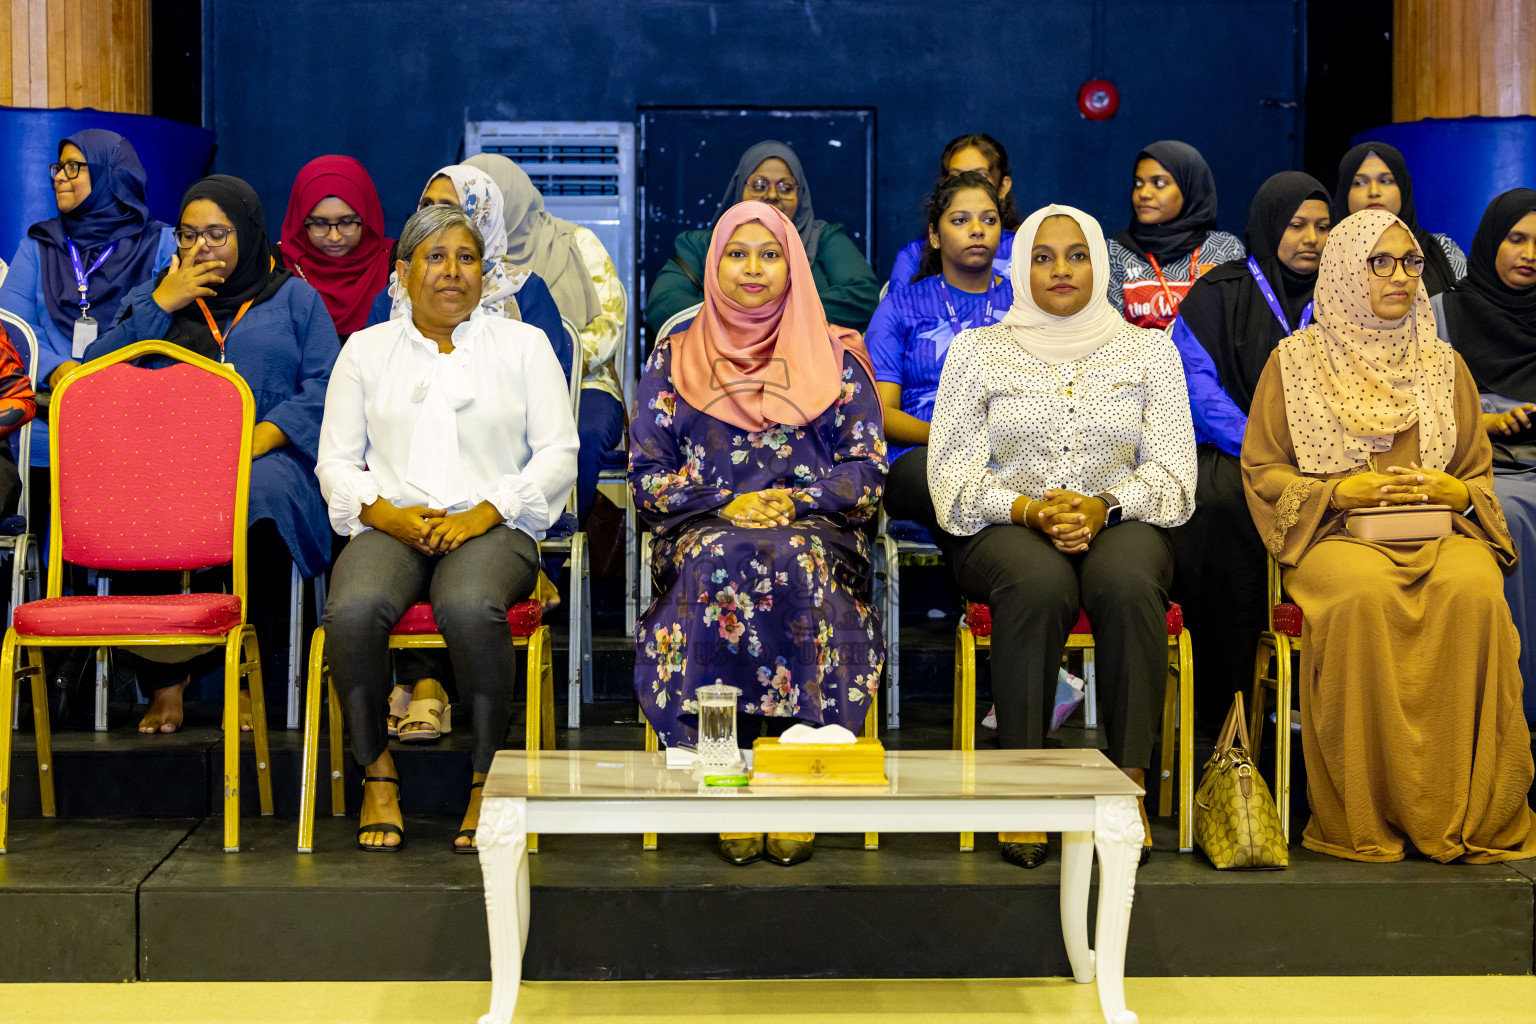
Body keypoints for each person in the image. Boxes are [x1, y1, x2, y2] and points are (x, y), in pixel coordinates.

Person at [1241, 207, 1536, 863]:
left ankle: (1469, 809)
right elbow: (1263, 469)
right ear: (1347, 270)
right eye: (1381, 262)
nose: (1400, 276)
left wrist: (1454, 493)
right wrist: (1340, 491)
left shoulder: (1442, 363)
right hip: (1336, 539)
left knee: (1476, 589)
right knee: (1363, 594)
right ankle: (1368, 811)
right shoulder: (1295, 363)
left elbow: (1474, 475)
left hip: (1437, 533)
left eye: (1410, 263)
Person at [929, 204, 1197, 870]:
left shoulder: (1150, 352)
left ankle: (1126, 785)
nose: (1060, 269)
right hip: (1003, 523)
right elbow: (951, 480)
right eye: (1042, 257)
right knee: (1039, 583)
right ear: (1019, 268)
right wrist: (1027, 510)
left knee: (1127, 582)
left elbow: (1174, 475)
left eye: (1076, 254)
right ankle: (1024, 792)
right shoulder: (977, 352)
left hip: (1122, 516)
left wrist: (1103, 506)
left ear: (1100, 265)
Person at [631, 200, 887, 868]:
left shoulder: (838, 359)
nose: (752, 269)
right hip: (705, 527)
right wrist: (727, 502)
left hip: (814, 532)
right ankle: (722, 776)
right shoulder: (674, 356)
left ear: (793, 263)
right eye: (736, 254)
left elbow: (866, 472)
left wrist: (793, 501)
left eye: (769, 254)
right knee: (720, 559)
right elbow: (646, 476)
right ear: (713, 265)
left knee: (795, 562)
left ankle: (797, 785)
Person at [318, 204, 578, 852]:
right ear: (402, 272)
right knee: (351, 610)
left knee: (467, 605)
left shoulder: (525, 346)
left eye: (466, 258)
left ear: (485, 275)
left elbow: (558, 454)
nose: (451, 272)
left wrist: (487, 511)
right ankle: (376, 770)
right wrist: (384, 514)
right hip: (391, 522)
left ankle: (488, 777)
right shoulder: (365, 351)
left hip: (495, 522)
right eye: (434, 258)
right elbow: (335, 461)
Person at [85, 175, 339, 734]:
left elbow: (326, 386)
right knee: (138, 496)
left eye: (218, 234)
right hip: (170, 461)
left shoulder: (295, 298)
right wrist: (160, 304)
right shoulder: (156, 295)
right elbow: (91, 376)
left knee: (262, 494)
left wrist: (261, 438)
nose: (202, 247)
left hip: (267, 457)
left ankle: (251, 677)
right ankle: (165, 685)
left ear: (249, 235)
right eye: (189, 234)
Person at [1165, 171, 1332, 723]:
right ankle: (1228, 703)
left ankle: (1321, 699)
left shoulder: (1349, 296)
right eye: (1296, 224)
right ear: (1266, 225)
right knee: (1217, 507)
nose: (1310, 238)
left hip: (1330, 456)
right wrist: (1263, 444)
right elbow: (1196, 388)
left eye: (1322, 226)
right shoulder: (1219, 292)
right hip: (1235, 453)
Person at [0, 130, 175, 527]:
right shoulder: (39, 244)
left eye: (74, 167)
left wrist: (106, 376)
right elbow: (13, 324)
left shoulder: (161, 244)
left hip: (137, 409)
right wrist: (57, 369)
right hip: (51, 413)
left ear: (110, 174)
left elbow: (169, 323)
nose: (59, 176)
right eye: (58, 167)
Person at [464, 152, 627, 527]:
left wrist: (539, 373)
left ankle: (552, 550)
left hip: (584, 384)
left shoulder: (577, 242)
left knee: (579, 437)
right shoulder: (463, 257)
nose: (480, 211)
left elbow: (607, 328)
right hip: (486, 382)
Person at [867, 170, 1010, 544]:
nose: (977, 229)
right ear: (933, 235)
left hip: (1011, 453)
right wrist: (949, 438)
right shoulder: (899, 308)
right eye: (960, 220)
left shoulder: (1026, 307)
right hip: (921, 456)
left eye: (989, 220)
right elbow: (880, 413)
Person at [1435, 189, 1536, 716]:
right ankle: (1515, 700)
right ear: (1490, 240)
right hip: (1476, 467)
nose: (1529, 253)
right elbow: (1415, 410)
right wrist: (1487, 421)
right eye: (1516, 238)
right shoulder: (1441, 314)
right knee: (1511, 514)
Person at [645, 140, 880, 336]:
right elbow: (663, 305)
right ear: (741, 188)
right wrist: (743, 321)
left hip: (806, 367)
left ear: (800, 194)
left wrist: (769, 316)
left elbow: (863, 297)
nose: (771, 195)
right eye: (759, 185)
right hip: (714, 367)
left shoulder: (824, 239)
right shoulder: (699, 245)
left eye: (785, 187)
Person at [367, 165, 564, 348]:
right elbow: (372, 368)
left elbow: (550, 373)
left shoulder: (522, 289)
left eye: (448, 207)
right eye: (427, 205)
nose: (434, 216)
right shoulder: (396, 292)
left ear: (482, 216)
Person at [1105, 141, 1244, 329]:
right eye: (1138, 184)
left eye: (1159, 183)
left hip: (1209, 359)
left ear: (1189, 188)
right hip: (1137, 358)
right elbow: (1111, 334)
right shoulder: (1115, 251)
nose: (1143, 193)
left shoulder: (1225, 249)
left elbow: (1237, 327)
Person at [277, 155, 395, 341]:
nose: (334, 237)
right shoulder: (274, 265)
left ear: (366, 218)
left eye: (347, 222)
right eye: (319, 224)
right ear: (301, 222)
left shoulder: (397, 262)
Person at [886, 133, 1021, 293]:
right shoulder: (913, 255)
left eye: (980, 176)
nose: (968, 185)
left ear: (1003, 187)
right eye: (956, 177)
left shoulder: (1026, 249)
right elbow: (896, 311)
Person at [1333, 142, 1465, 295]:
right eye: (1360, 183)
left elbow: (1465, 309)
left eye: (1385, 181)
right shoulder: (1325, 254)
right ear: (1344, 194)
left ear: (1403, 189)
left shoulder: (1443, 250)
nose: (1374, 192)